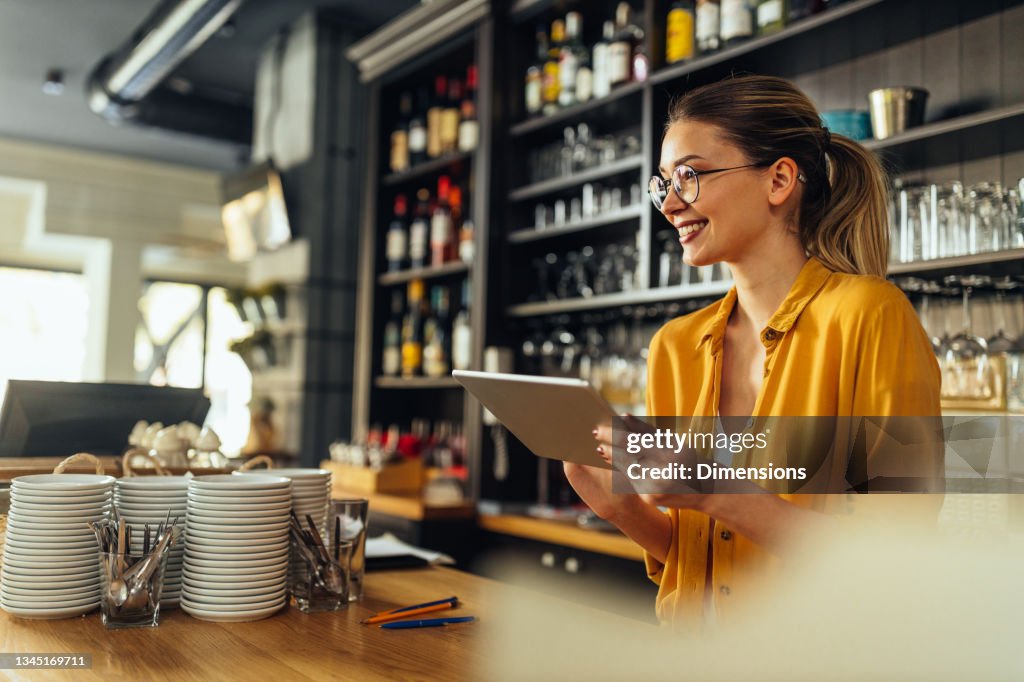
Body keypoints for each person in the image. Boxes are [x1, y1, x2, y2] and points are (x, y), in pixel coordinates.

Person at [564, 75, 943, 627]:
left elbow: (892, 560)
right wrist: (622, 509)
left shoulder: (869, 315)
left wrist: (716, 493)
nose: (670, 204)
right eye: (663, 183)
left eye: (690, 176)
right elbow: (707, 565)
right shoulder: (674, 346)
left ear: (780, 179)